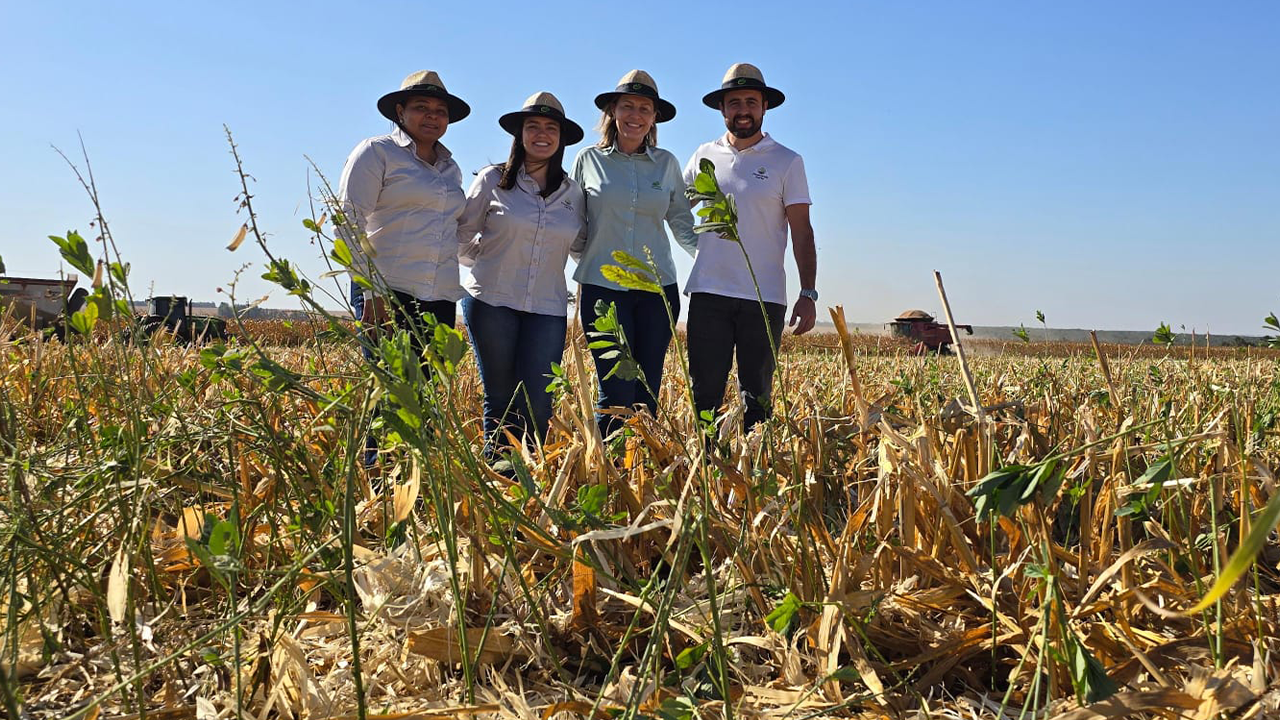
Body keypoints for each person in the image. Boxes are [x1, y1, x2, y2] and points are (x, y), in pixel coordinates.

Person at [683, 63, 817, 432]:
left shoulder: (787, 161)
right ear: (723, 109)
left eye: (751, 102)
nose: (743, 110)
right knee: (704, 392)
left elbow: (802, 232)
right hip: (709, 293)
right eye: (735, 102)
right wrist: (696, 248)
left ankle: (756, 475)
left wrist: (808, 292)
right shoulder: (703, 156)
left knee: (757, 395)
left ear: (764, 108)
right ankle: (705, 472)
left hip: (764, 297)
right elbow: (675, 208)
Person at [571, 70, 698, 438]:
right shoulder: (587, 160)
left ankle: (641, 472)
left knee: (646, 389)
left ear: (654, 117)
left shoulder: (667, 164)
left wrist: (715, 261)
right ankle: (608, 472)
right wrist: (590, 259)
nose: (635, 115)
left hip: (658, 291)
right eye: (627, 106)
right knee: (615, 390)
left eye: (645, 108)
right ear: (613, 110)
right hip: (602, 290)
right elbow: (575, 223)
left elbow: (681, 223)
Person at [457, 92, 586, 452]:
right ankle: (497, 481)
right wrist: (489, 262)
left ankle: (532, 485)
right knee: (499, 400)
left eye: (550, 128)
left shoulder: (573, 193)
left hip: (547, 309)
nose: (541, 134)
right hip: (491, 302)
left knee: (538, 405)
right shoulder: (492, 180)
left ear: (561, 138)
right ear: (520, 134)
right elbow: (461, 237)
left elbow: (580, 245)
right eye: (533, 127)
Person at [337, 70, 471, 363]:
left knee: (424, 398)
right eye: (421, 108)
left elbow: (454, 232)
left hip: (439, 296)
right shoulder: (376, 152)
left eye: (440, 111)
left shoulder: (452, 169)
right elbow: (348, 223)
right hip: (388, 292)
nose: (432, 117)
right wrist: (371, 293)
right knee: (391, 392)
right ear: (400, 112)